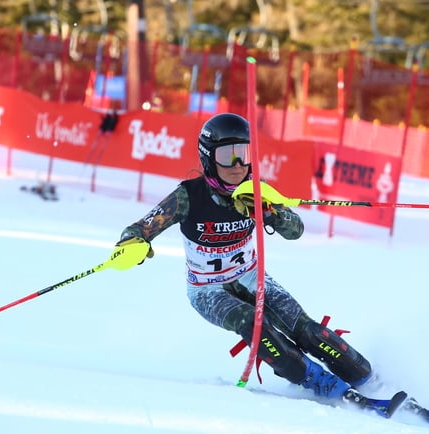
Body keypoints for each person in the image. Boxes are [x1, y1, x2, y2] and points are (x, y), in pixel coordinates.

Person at [113, 112, 376, 405]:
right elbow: (141, 227)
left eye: (244, 154)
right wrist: (131, 242)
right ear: (208, 158)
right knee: (253, 324)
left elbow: (296, 230)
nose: (238, 165)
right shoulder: (188, 196)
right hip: (207, 290)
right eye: (228, 156)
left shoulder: (255, 190)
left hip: (251, 276)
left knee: (305, 330)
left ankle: (366, 376)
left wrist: (271, 212)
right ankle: (316, 381)